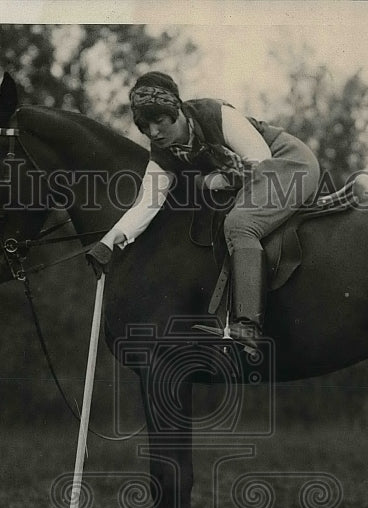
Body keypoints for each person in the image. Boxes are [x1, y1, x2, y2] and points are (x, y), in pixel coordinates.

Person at [85, 71, 321, 351]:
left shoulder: (214, 113)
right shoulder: (163, 153)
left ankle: (248, 325)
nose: (154, 133)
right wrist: (108, 242)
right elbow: (147, 203)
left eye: (159, 121)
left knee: (240, 224)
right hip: (254, 177)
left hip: (288, 164)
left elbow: (260, 160)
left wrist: (211, 181)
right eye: (145, 126)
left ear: (176, 110)